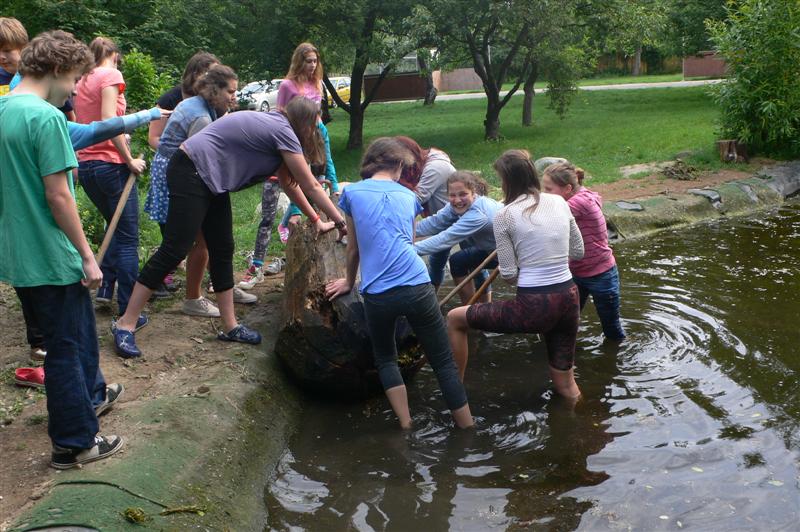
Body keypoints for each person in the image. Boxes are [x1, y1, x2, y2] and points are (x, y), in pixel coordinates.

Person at [111, 97, 347, 358]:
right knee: (175, 249)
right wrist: (339, 221)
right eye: (314, 126)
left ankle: (230, 326)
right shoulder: (284, 131)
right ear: (304, 123)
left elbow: (290, 184)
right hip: (191, 170)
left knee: (223, 248)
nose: (316, 132)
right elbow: (311, 185)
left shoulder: (279, 129)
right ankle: (125, 323)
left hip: (212, 178)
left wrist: (316, 220)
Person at [0, 30, 124, 469]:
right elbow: (59, 196)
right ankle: (74, 444)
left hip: (18, 256)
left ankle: (88, 407)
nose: (74, 89)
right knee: (68, 348)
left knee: (64, 342)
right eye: (74, 79)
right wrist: (88, 256)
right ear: (56, 70)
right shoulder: (46, 118)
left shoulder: (3, 107)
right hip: (52, 256)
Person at [325, 137, 474, 430]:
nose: (402, 175)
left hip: (378, 294)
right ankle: (467, 427)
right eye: (402, 169)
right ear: (394, 165)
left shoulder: (352, 193)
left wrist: (348, 281)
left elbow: (353, 248)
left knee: (386, 359)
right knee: (443, 362)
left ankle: (406, 426)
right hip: (418, 284)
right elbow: (409, 240)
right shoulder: (409, 198)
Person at [446, 150, 584, 400]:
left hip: (535, 305)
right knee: (566, 385)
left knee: (455, 318)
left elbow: (509, 275)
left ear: (508, 181)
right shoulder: (560, 202)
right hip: (569, 297)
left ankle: (455, 393)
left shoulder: (505, 215)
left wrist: (524, 258)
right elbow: (578, 250)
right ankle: (580, 425)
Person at [145, 63, 256, 315]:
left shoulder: (200, 105)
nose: (235, 97)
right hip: (182, 177)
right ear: (213, 90)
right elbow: (202, 159)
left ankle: (221, 285)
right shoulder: (201, 117)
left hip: (182, 172)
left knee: (202, 241)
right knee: (195, 242)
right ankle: (193, 298)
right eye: (231, 92)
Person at [74, 37, 148, 329]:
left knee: (115, 229)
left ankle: (105, 291)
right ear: (115, 55)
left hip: (86, 165)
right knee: (129, 238)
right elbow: (108, 121)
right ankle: (130, 310)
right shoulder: (111, 75)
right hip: (109, 166)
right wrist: (129, 159)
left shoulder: (81, 80)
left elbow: (91, 124)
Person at [147, 51, 220, 295]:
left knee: (196, 233)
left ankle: (213, 278)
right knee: (176, 234)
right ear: (197, 75)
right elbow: (154, 138)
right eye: (212, 74)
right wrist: (182, 153)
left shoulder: (209, 104)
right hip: (170, 167)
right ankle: (156, 279)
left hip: (190, 169)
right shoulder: (173, 99)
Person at [541, 162, 625, 340]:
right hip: (576, 271)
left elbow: (543, 218)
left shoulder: (579, 202)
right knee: (566, 320)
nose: (544, 194)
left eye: (548, 189)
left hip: (601, 274)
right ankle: (567, 354)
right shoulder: (580, 195)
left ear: (568, 188)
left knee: (612, 328)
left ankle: (613, 362)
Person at [415, 171, 502, 304]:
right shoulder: (455, 206)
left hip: (510, 254)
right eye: (452, 195)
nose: (457, 200)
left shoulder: (479, 214)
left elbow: (445, 238)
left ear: (474, 192)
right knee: (458, 261)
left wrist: (407, 250)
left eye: (463, 194)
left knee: (466, 261)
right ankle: (470, 310)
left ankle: (477, 313)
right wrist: (401, 231)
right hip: (488, 249)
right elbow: (434, 223)